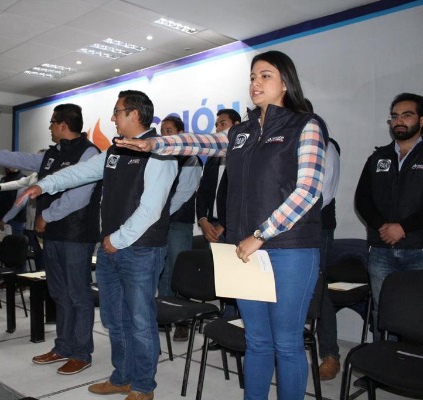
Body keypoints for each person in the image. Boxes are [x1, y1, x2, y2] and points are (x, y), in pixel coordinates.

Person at [115, 52, 327, 400]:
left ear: (286, 83)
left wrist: (260, 234)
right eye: (253, 76)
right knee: (256, 340)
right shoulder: (242, 131)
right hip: (244, 250)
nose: (256, 83)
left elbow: (308, 190)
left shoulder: (306, 125)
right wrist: (153, 144)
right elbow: (199, 141)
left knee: (287, 343)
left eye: (266, 76)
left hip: (289, 249)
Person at [18, 90, 177, 400]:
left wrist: (116, 239)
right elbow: (81, 172)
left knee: (139, 320)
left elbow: (151, 209)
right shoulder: (116, 149)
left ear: (134, 114)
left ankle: (143, 387)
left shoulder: (160, 152)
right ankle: (122, 377)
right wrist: (44, 185)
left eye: (117, 112)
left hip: (140, 250)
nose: (113, 117)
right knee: (114, 319)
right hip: (111, 249)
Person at [0, 103, 101, 375]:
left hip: (76, 234)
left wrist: (46, 215)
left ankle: (81, 353)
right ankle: (63, 346)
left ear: (63, 124)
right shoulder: (53, 153)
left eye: (52, 122)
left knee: (78, 295)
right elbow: (24, 160)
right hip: (53, 234)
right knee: (59, 292)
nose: (50, 127)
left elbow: (80, 196)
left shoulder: (89, 152)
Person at [355, 92, 423, 341]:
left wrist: (403, 227)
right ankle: (381, 364)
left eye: (407, 115)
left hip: (418, 250)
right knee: (382, 313)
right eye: (394, 116)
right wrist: (382, 226)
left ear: (421, 120)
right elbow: (362, 199)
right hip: (381, 250)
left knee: (416, 316)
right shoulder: (378, 157)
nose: (399, 121)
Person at [304, 99, 343, 380]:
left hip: (316, 228)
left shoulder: (326, 145)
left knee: (319, 290)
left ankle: (330, 354)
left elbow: (323, 196)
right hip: (284, 232)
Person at [157, 115, 202, 342]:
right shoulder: (160, 157)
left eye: (169, 130)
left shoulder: (191, 158)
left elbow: (183, 193)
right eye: (162, 130)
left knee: (179, 270)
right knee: (163, 270)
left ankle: (183, 321)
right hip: (160, 222)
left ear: (181, 133)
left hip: (178, 223)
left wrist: (160, 215)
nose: (164, 134)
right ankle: (165, 315)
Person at [195, 109, 241, 243]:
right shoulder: (213, 157)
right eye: (216, 125)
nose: (218, 129)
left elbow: (243, 195)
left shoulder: (243, 156)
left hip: (235, 227)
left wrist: (224, 224)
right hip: (212, 227)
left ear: (237, 125)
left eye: (223, 124)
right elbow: (203, 191)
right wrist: (203, 220)